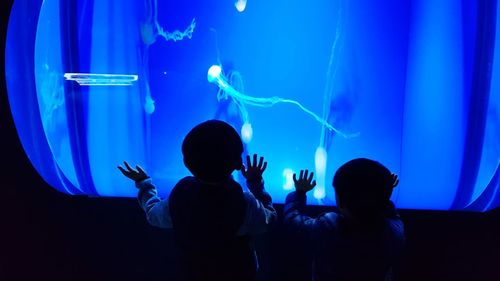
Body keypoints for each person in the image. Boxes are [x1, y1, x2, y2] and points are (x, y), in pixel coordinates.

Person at [118, 120, 277, 281]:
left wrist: (144, 184)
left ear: (186, 162)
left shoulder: (181, 196)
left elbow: (153, 214)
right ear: (238, 163)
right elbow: (268, 219)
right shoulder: (244, 202)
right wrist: (256, 183)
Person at [284, 158, 405, 281]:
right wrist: (385, 195)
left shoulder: (328, 227)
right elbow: (392, 215)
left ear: (341, 200)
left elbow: (293, 222)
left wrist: (299, 193)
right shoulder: (394, 231)